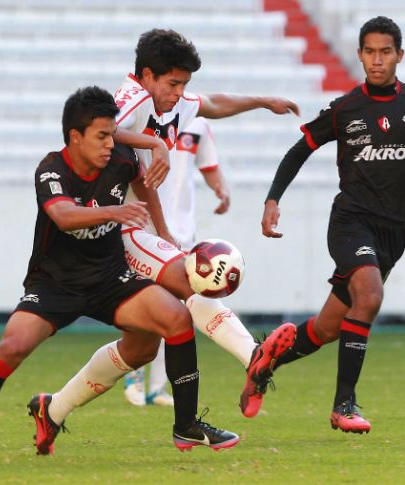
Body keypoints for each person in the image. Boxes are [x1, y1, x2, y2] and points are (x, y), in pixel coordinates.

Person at [0, 86, 238, 465]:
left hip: (110, 278)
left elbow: (144, 189)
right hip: (55, 283)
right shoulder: (51, 168)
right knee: (12, 346)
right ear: (75, 137)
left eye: (113, 134)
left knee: (176, 319)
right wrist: (113, 213)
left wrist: (165, 237)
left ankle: (186, 425)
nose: (110, 144)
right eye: (101, 136)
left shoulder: (122, 160)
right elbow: (63, 215)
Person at [258, 16, 405, 434]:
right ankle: (343, 406)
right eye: (369, 51)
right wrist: (273, 198)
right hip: (351, 221)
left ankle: (265, 358)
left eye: (385, 52)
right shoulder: (346, 107)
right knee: (368, 297)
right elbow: (300, 149)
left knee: (328, 327)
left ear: (399, 55)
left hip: (394, 231)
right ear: (359, 55)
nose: (377, 59)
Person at [111, 29, 299, 420]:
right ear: (147, 75)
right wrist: (156, 144)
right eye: (174, 83)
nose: (180, 92)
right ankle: (252, 359)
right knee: (195, 280)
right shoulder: (135, 97)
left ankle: (52, 408)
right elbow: (102, 129)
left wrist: (263, 101)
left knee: (140, 345)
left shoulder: (172, 102)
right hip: (115, 228)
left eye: (184, 84)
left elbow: (213, 103)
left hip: (139, 225)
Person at [122, 117, 230, 407]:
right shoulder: (147, 118)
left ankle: (157, 387)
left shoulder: (198, 125)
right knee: (145, 300)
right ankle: (133, 377)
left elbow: (209, 167)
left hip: (182, 228)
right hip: (148, 224)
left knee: (176, 309)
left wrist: (220, 189)